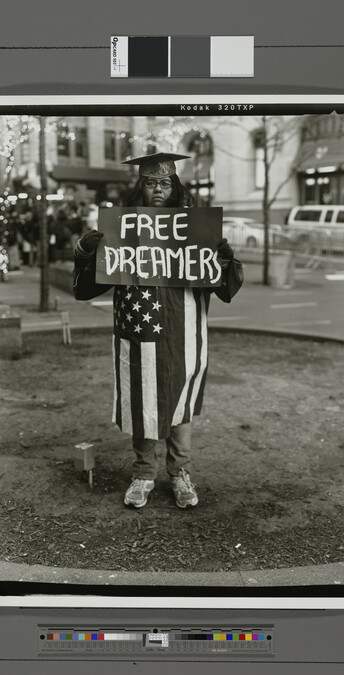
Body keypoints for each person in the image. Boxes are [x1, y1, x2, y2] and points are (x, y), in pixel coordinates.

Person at [73, 153, 243, 509]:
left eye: (165, 182)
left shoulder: (196, 229)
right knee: (143, 397)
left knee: (179, 398)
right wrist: (86, 252)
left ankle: (180, 474)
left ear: (175, 185)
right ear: (141, 185)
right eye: (150, 182)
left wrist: (224, 257)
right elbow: (87, 289)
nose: (158, 189)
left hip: (184, 326)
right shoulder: (123, 227)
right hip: (139, 326)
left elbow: (225, 288)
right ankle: (143, 474)